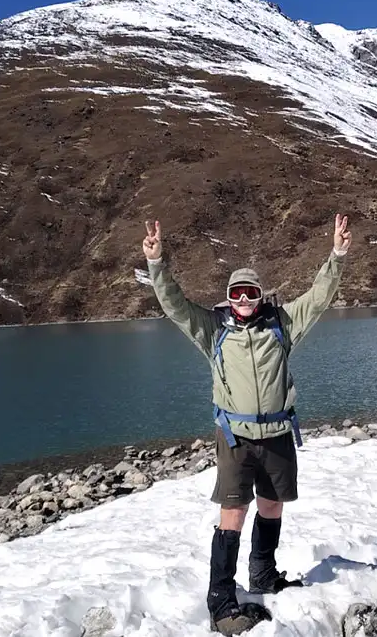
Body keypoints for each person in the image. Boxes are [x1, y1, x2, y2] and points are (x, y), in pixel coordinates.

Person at [141, 214, 351, 634]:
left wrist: (338, 254)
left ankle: (263, 576)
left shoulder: (281, 325)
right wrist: (156, 263)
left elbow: (319, 298)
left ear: (260, 296)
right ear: (228, 298)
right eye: (236, 293)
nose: (243, 299)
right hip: (235, 438)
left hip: (277, 435)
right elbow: (175, 305)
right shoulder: (213, 330)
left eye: (250, 292)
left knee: (272, 505)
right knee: (233, 513)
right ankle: (220, 601)